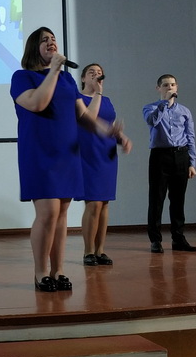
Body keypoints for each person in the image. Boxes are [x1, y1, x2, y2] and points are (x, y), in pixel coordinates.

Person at [11, 27, 131, 292]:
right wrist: (53, 70)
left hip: (67, 153)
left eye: (53, 39)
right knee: (48, 212)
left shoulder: (66, 79)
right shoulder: (23, 77)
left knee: (62, 213)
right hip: (40, 152)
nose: (51, 42)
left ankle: (58, 271)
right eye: (44, 40)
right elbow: (37, 103)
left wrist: (109, 131)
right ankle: (41, 272)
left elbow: (83, 116)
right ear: (33, 48)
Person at [142, 74, 196, 253]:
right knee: (156, 199)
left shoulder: (185, 111)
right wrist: (164, 103)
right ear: (158, 88)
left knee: (178, 200)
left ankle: (178, 238)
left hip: (181, 155)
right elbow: (152, 121)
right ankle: (155, 240)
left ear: (177, 87)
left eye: (172, 85)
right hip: (160, 156)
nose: (170, 88)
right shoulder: (150, 108)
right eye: (166, 85)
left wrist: (192, 162)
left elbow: (190, 137)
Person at [76, 63, 119, 266]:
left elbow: (109, 126)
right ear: (83, 78)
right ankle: (88, 251)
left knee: (104, 203)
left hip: (107, 154)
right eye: (91, 73)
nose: (96, 75)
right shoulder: (78, 99)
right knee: (93, 202)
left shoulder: (107, 100)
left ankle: (100, 250)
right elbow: (90, 118)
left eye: (99, 73)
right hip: (88, 154)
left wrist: (120, 137)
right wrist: (98, 94)